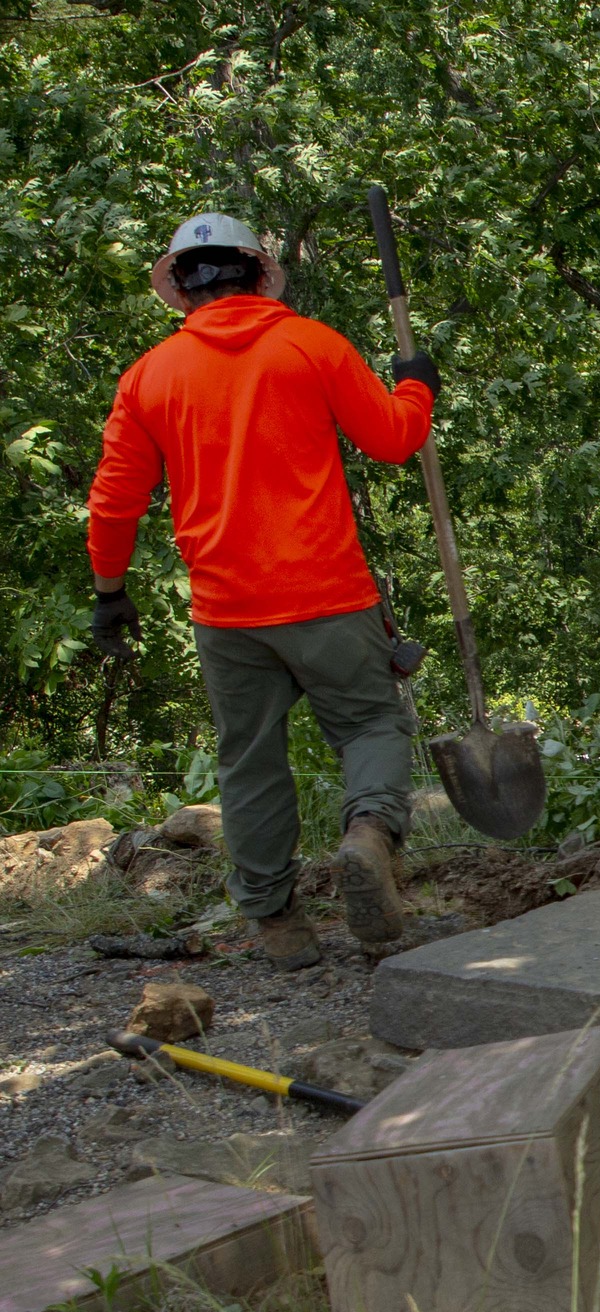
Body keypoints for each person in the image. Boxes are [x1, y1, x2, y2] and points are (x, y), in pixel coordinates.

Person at [87, 212, 439, 970]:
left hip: (228, 608)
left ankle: (279, 925)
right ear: (260, 272)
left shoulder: (150, 376)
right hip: (328, 595)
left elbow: (114, 500)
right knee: (372, 727)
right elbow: (393, 440)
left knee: (249, 760)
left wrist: (109, 591)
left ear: (181, 289)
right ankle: (371, 833)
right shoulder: (311, 344)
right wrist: (416, 391)